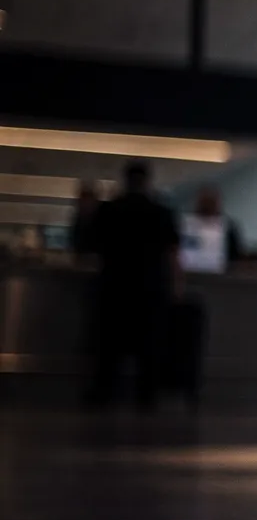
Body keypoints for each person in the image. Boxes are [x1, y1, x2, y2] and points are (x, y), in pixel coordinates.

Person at [84, 162, 180, 409]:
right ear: (147, 181)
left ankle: (104, 393)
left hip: (115, 285)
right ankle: (147, 397)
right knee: (149, 347)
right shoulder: (161, 212)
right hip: (150, 287)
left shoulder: (110, 210)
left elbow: (93, 246)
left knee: (109, 346)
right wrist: (175, 286)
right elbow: (172, 253)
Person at [178, 185, 244, 274]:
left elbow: (235, 256)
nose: (207, 206)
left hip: (221, 277)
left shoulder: (228, 228)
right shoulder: (185, 225)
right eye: (205, 203)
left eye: (210, 203)